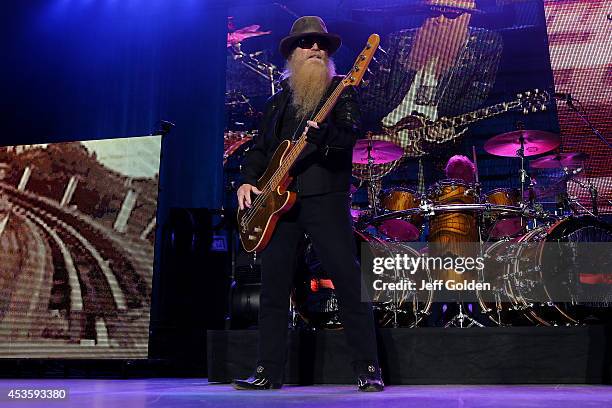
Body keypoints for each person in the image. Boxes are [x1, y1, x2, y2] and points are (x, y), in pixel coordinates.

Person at [233, 16, 383, 392]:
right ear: (292, 54)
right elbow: (261, 150)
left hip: (325, 199)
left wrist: (326, 134)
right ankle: (268, 372)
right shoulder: (278, 101)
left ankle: (368, 368)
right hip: (277, 205)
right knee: (273, 288)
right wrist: (247, 181)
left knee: (347, 282)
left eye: (321, 44)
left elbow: (348, 138)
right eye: (306, 43)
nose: (315, 48)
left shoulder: (342, 91)